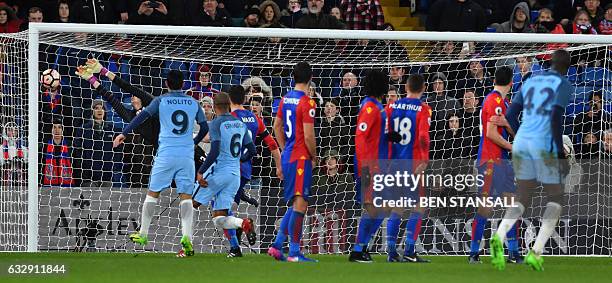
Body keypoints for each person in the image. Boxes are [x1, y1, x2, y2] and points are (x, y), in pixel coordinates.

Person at [492, 49, 573, 271]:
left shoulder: (531, 81)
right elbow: (555, 117)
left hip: (522, 142)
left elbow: (509, 115)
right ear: (566, 68)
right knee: (556, 198)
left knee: (523, 196)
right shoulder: (564, 84)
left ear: (550, 63)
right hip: (542, 143)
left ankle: (498, 236)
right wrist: (559, 153)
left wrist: (520, 135)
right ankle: (535, 252)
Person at [113, 70, 209, 257]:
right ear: (183, 84)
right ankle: (187, 238)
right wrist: (193, 142)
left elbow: (141, 117)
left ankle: (143, 234)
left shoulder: (161, 100)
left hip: (165, 154)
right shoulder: (194, 102)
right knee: (186, 197)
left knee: (152, 194)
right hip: (186, 156)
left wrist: (124, 133)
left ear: (167, 83)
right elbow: (204, 127)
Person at [192, 92, 258, 257]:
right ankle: (241, 233)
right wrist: (240, 159)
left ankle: (186, 246)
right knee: (219, 217)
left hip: (218, 172)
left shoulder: (216, 123)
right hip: (234, 174)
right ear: (229, 105)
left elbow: (214, 151)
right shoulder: (240, 124)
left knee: (189, 203)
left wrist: (200, 172)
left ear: (214, 107)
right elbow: (252, 150)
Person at [467, 66, 521, 264]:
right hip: (491, 160)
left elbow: (513, 133)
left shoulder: (504, 102)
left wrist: (507, 125)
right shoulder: (494, 100)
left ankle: (514, 253)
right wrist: (511, 147)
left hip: (503, 161)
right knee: (485, 208)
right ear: (511, 83)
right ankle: (473, 253)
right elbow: (490, 133)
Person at [223, 85, 282, 257]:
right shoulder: (255, 118)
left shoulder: (229, 118)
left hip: (230, 168)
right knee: (225, 207)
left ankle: (237, 240)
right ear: (245, 100)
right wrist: (279, 166)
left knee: (220, 208)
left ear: (229, 100)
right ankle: (238, 232)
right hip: (246, 171)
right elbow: (272, 145)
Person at [268, 62, 317, 262]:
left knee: (297, 202)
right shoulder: (308, 102)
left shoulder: (285, 98)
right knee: (300, 204)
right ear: (310, 78)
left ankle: (278, 245)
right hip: (300, 157)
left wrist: (285, 147)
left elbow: (276, 126)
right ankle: (295, 252)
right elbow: (308, 136)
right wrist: (314, 155)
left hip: (289, 155)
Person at [386, 74, 432, 263]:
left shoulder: (391, 106)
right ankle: (410, 250)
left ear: (406, 87)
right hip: (413, 163)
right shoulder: (423, 109)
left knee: (397, 207)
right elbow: (422, 136)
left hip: (394, 162)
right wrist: (425, 160)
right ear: (423, 88)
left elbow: (386, 134)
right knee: (419, 206)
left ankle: (391, 252)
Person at [348, 70, 389, 263]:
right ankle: (358, 250)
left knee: (381, 208)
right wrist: (366, 168)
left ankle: (362, 247)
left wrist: (388, 137)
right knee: (374, 208)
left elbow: (373, 136)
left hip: (376, 164)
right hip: (369, 166)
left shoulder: (377, 105)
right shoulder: (370, 107)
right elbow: (361, 138)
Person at [41, 119, 73, 187]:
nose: (57, 130)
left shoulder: (70, 146)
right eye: (54, 127)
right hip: (49, 188)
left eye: (59, 127)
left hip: (67, 188)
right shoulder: (44, 146)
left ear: (62, 130)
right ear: (51, 130)